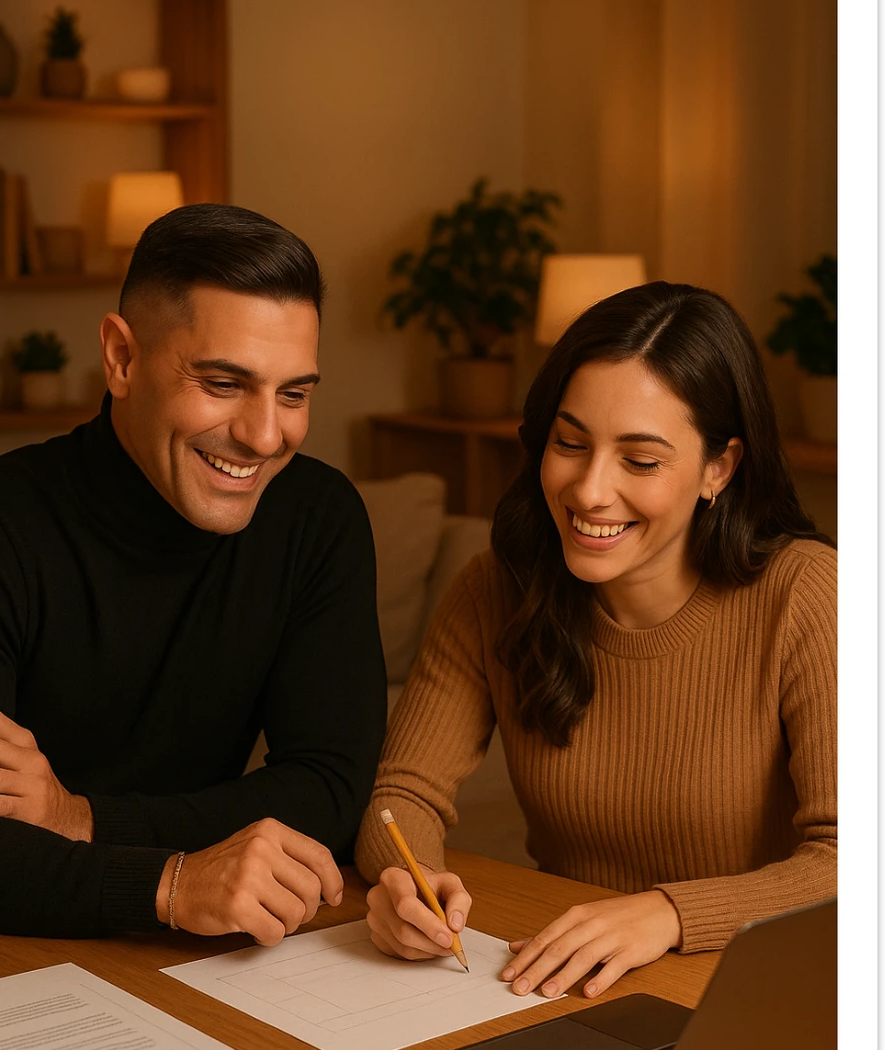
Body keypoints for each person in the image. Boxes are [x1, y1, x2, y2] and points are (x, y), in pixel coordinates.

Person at [0, 203, 387, 940]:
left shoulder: (317, 517)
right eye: (223, 383)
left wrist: (77, 818)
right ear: (122, 358)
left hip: (204, 957)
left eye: (293, 394)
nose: (265, 436)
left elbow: (330, 787)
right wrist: (169, 883)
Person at [356, 280, 836, 1000]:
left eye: (640, 461)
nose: (588, 491)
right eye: (570, 443)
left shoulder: (809, 596)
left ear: (719, 468)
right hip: (562, 985)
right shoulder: (495, 588)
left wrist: (669, 913)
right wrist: (407, 882)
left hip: (753, 996)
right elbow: (401, 796)